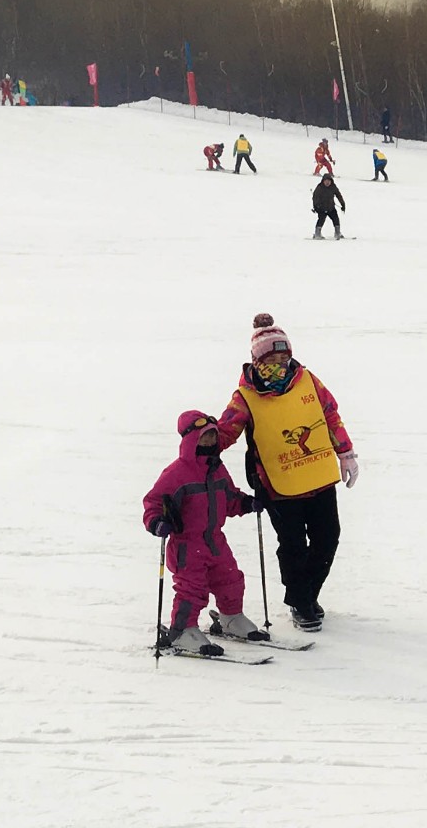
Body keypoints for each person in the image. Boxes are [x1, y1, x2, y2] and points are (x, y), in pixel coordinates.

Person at [217, 314, 358, 632]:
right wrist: (201, 446)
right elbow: (226, 431)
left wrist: (345, 453)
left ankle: (305, 596)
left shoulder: (308, 380)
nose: (280, 364)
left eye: (284, 356)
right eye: (271, 358)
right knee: (293, 545)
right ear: (257, 360)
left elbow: (330, 414)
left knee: (327, 539)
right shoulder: (245, 399)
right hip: (277, 484)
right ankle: (302, 603)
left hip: (318, 476)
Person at [144, 410, 264, 656]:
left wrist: (245, 503)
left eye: (213, 437)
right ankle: (182, 630)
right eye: (204, 437)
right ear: (191, 439)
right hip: (187, 545)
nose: (209, 442)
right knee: (192, 588)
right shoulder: (177, 473)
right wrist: (157, 522)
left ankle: (231, 617)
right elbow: (153, 502)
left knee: (230, 578)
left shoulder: (217, 469)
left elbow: (229, 498)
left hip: (215, 540)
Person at [312, 172, 346, 239]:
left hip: (331, 208)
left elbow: (339, 195)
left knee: (336, 219)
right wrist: (316, 207)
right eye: (326, 181)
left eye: (329, 181)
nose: (327, 182)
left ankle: (337, 233)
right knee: (321, 220)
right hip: (321, 208)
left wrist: (343, 204)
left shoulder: (333, 187)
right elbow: (315, 198)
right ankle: (317, 233)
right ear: (323, 181)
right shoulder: (319, 188)